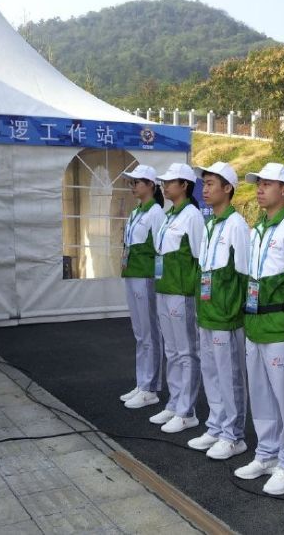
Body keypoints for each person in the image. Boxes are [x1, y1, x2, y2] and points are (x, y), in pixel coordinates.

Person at [234, 162, 284, 496]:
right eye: (258, 183)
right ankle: (266, 453)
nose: (260, 189)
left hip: (281, 326)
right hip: (256, 323)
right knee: (261, 394)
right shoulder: (259, 227)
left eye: (267, 184)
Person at [186, 161, 251, 460]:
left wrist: (234, 311)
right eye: (205, 183)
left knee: (230, 377)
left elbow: (244, 275)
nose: (205, 189)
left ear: (228, 188)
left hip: (226, 317)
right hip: (207, 313)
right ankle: (216, 425)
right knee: (211, 373)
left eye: (211, 183)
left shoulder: (237, 225)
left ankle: (233, 435)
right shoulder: (210, 224)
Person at [149, 163, 205, 434]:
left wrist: (194, 292)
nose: (165, 186)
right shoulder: (170, 214)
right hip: (164, 288)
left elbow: (199, 258)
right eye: (164, 182)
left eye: (170, 182)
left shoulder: (192, 216)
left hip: (182, 293)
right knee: (171, 352)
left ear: (184, 185)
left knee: (186, 352)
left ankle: (187, 410)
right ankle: (174, 402)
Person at [119, 165, 167, 410]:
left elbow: (160, 251)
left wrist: (158, 280)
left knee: (149, 333)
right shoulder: (136, 211)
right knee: (140, 334)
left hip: (146, 277)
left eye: (137, 182)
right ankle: (142, 383)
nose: (133, 186)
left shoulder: (156, 213)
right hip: (132, 274)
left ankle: (150, 388)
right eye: (132, 182)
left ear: (151, 185)